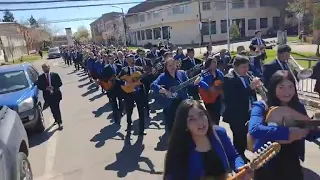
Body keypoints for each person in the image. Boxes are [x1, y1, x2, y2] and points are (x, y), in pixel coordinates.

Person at [249, 70, 320, 180]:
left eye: (290, 87)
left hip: (292, 162)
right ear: (273, 88)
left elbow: (308, 133)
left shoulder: (298, 107)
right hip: (267, 161)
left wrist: (314, 129)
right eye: (281, 87)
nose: (287, 92)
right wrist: (287, 133)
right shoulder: (261, 106)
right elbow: (255, 129)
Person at [163, 99, 252, 180]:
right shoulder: (180, 147)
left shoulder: (219, 133)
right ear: (185, 125)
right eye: (192, 119)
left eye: (201, 115)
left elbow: (234, 156)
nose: (200, 122)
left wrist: (240, 167)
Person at [223, 56, 259, 162]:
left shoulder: (247, 77)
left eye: (247, 66)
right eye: (243, 67)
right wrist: (250, 88)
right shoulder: (229, 78)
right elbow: (233, 98)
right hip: (235, 115)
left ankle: (241, 154)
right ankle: (238, 159)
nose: (246, 69)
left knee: (244, 136)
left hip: (247, 112)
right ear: (235, 67)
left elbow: (250, 95)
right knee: (238, 137)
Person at [152, 58, 190, 133]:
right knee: (171, 125)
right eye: (169, 65)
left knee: (184, 124)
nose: (172, 67)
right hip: (170, 104)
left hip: (182, 102)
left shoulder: (182, 73)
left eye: (173, 64)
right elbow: (153, 85)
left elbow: (189, 84)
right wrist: (165, 91)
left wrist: (196, 82)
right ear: (166, 67)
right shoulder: (163, 76)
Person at [195, 56, 224, 125]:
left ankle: (216, 128)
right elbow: (199, 82)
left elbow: (224, 81)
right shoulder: (205, 73)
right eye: (213, 62)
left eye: (216, 62)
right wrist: (209, 88)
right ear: (209, 64)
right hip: (209, 98)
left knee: (217, 116)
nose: (215, 64)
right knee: (211, 116)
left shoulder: (219, 73)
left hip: (218, 97)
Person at [37, 63, 63, 129]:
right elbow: (39, 86)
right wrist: (46, 88)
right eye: (44, 67)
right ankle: (56, 120)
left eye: (47, 67)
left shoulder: (55, 75)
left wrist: (53, 87)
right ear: (42, 69)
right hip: (48, 96)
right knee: (52, 109)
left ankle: (60, 122)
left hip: (56, 94)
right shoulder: (40, 77)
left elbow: (60, 83)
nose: (46, 68)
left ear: (49, 67)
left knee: (57, 108)